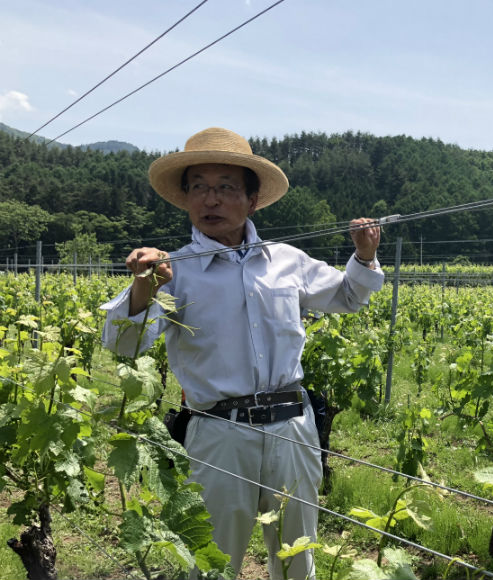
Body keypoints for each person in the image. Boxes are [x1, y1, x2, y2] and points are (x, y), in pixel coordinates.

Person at [101, 127, 384, 580]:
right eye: (198, 187)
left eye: (225, 187)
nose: (210, 199)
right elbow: (122, 344)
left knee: (298, 560)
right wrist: (143, 287)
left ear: (252, 200)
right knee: (211, 562)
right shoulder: (173, 271)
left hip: (293, 429)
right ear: (186, 198)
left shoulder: (287, 261)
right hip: (219, 435)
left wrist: (365, 256)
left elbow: (349, 295)